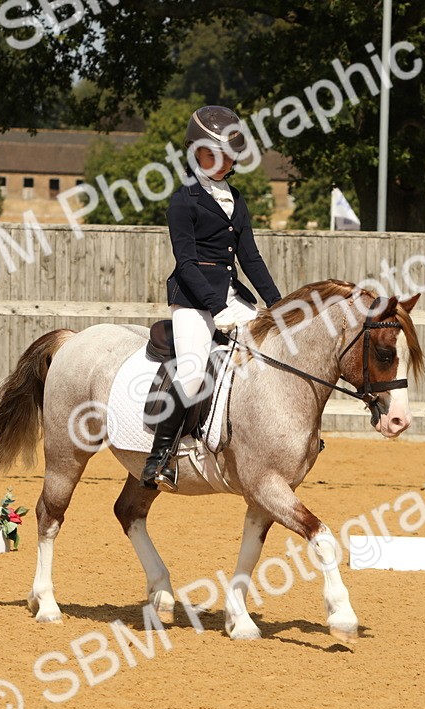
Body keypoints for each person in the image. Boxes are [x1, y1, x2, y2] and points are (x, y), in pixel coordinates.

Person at [140, 105, 283, 491]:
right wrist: (216, 308)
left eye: (227, 155)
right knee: (189, 376)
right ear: (195, 153)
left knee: (275, 354)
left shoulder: (236, 199)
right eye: (210, 154)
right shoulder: (183, 200)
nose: (220, 162)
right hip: (191, 299)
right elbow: (185, 262)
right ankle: (160, 458)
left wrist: (278, 304)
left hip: (231, 296)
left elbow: (249, 258)